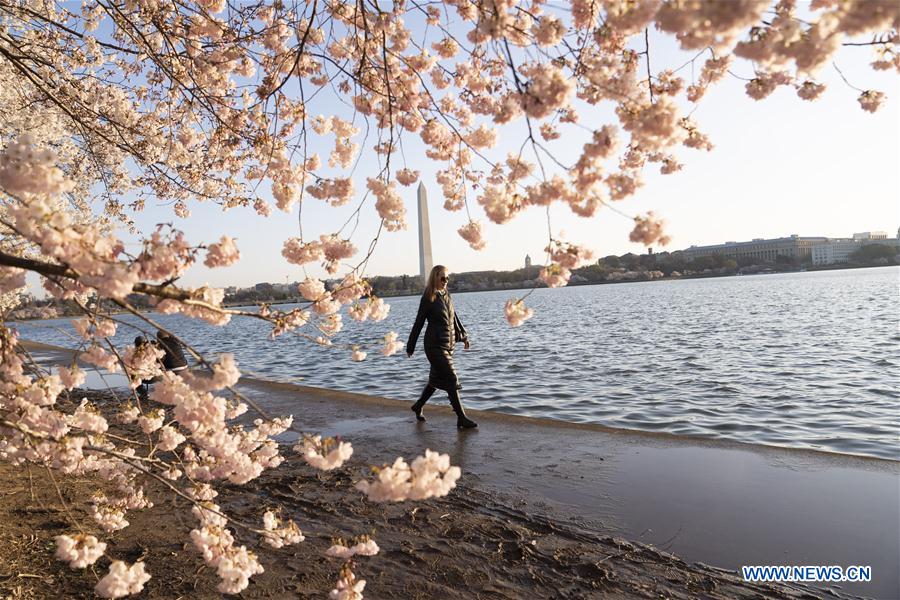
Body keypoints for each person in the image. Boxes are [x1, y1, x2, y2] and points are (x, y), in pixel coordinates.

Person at [406, 265, 477, 429]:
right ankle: (461, 418)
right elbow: (418, 323)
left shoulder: (446, 295)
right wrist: (411, 346)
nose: (446, 281)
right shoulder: (428, 297)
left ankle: (418, 405)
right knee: (451, 379)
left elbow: (454, 317)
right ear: (435, 278)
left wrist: (463, 336)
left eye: (447, 278)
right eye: (442, 278)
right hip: (434, 346)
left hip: (449, 345)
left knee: (435, 380)